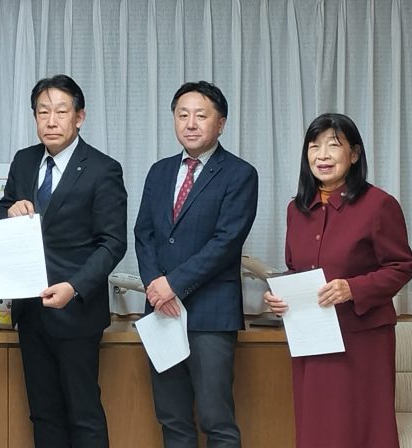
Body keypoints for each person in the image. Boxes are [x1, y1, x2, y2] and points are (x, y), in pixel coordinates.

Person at [0, 74, 127, 448]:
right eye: (43, 112)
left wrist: (75, 287)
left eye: (61, 112)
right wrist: (9, 210)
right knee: (43, 413)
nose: (51, 121)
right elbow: (1, 214)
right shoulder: (24, 160)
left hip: (77, 313)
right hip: (30, 311)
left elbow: (113, 243)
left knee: (83, 413)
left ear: (79, 117)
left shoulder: (103, 168)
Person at [264, 113, 412, 448]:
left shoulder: (379, 205)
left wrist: (353, 288)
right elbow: (295, 268)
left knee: (360, 429)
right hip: (311, 337)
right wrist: (280, 296)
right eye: (314, 146)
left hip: (361, 340)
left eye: (333, 145)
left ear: (354, 154)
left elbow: (401, 267)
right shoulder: (297, 209)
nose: (322, 155)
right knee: (316, 427)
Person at [134, 81, 258, 448]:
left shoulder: (239, 174)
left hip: (210, 316)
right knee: (172, 419)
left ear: (221, 123)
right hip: (161, 312)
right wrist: (155, 285)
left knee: (216, 419)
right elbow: (143, 234)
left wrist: (172, 284)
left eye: (201, 115)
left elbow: (226, 242)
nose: (190, 123)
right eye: (182, 114)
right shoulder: (159, 171)